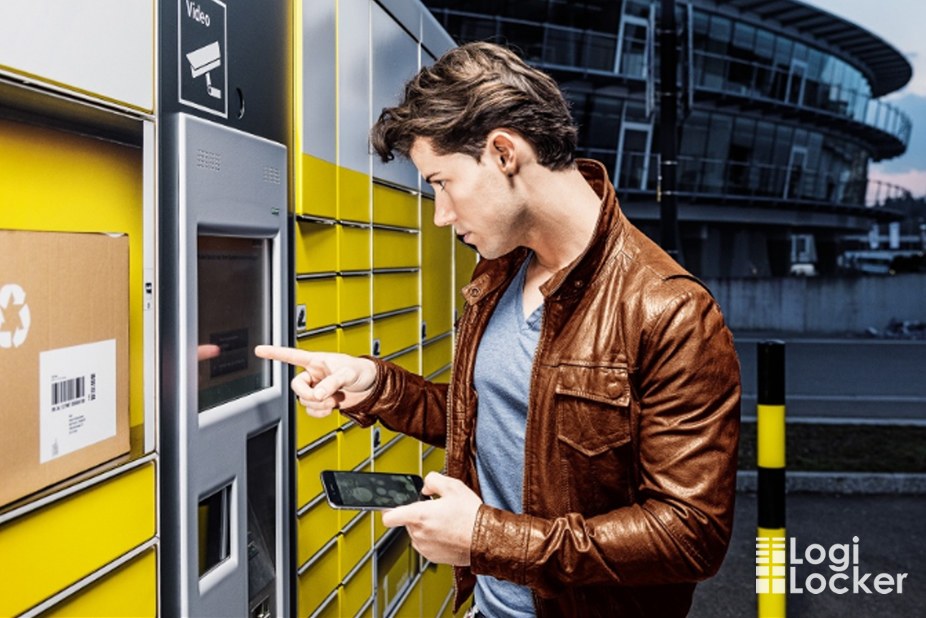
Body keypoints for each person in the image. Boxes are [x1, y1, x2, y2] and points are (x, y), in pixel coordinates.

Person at [256, 41, 740, 618]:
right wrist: (377, 387)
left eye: (441, 182)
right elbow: (501, 421)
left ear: (504, 152)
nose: (440, 213)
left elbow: (689, 535)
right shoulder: (501, 270)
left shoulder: (670, 310)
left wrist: (486, 538)